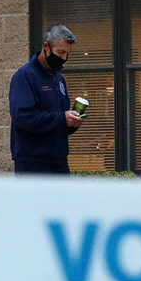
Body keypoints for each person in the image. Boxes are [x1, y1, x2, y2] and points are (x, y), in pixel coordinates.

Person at [9, 25, 83, 174]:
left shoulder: (59, 79)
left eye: (67, 54)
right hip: (33, 162)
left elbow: (59, 121)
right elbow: (23, 117)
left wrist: (72, 122)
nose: (63, 58)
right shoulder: (25, 76)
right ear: (46, 47)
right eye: (60, 52)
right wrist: (62, 118)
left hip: (59, 160)